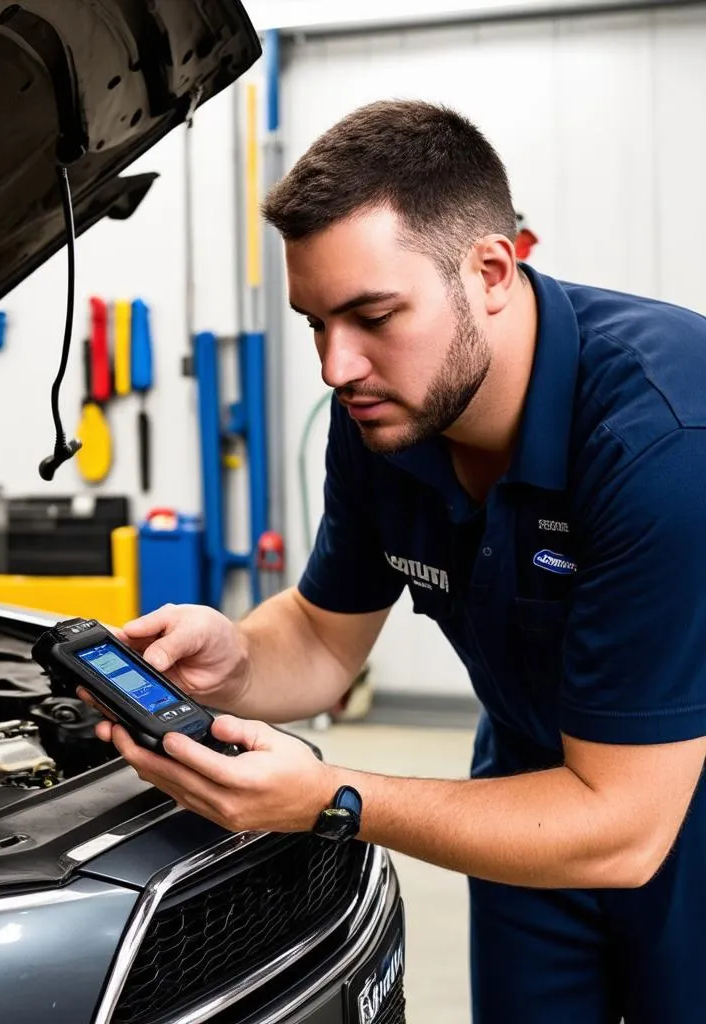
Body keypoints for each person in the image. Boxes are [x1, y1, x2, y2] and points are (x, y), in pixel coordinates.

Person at [83, 100, 706, 1023]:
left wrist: (330, 797)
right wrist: (237, 659)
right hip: (529, 788)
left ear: (492, 270)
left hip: (674, 807)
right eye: (315, 323)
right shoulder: (385, 418)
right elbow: (324, 640)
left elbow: (623, 827)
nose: (338, 367)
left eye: (373, 315)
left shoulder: (662, 440)